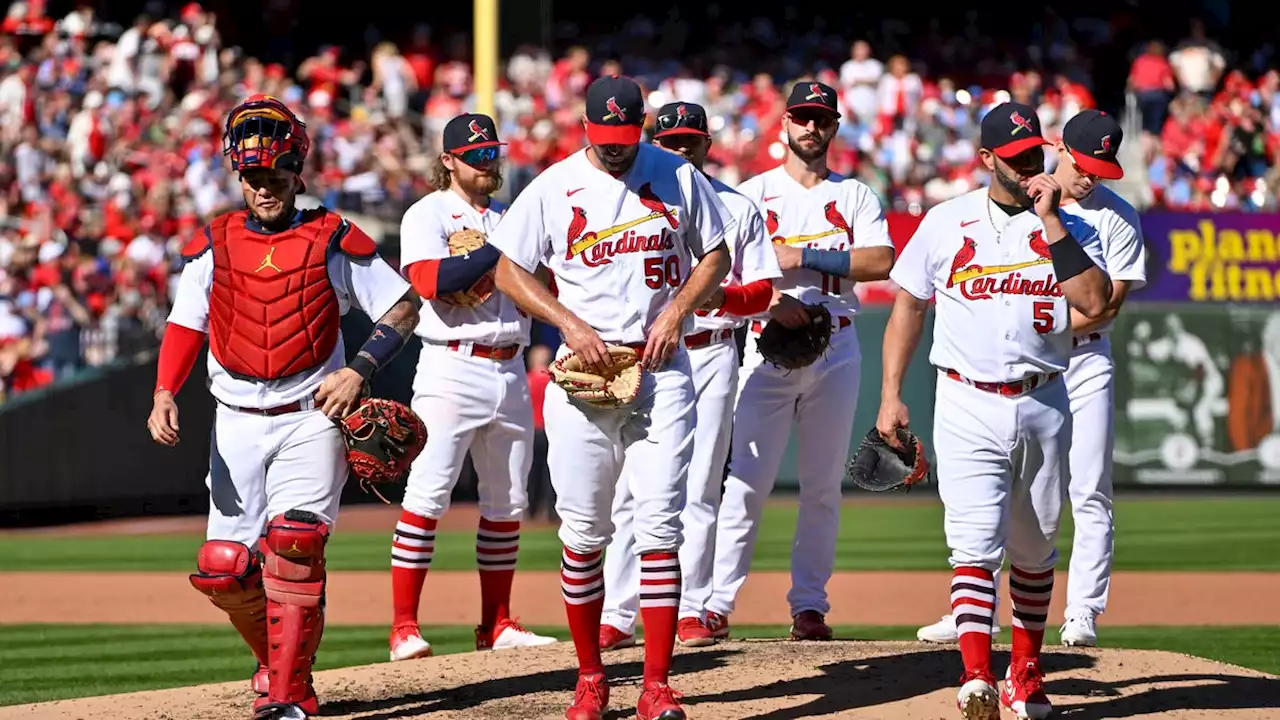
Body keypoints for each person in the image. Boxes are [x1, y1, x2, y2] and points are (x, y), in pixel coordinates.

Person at [145, 95, 420, 720]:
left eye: (274, 174)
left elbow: (402, 307)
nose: (263, 187)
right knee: (224, 570)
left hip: (310, 414)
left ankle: (289, 696)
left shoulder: (333, 237)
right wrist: (164, 391)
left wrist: (359, 370)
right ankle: (275, 661)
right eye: (252, 176)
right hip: (235, 420)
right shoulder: (213, 240)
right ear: (237, 176)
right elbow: (185, 325)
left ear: (298, 169)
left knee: (294, 545)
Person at [487, 75, 731, 720]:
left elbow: (717, 254)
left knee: (658, 527)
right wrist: (567, 323)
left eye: (626, 137)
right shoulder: (555, 185)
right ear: (585, 126)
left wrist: (679, 311)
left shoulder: (677, 175)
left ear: (641, 126)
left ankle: (656, 685)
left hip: (662, 368)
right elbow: (507, 268)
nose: (616, 148)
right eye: (604, 136)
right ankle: (591, 677)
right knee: (585, 533)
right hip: (581, 374)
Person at [877, 102, 1112, 720]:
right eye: (1013, 158)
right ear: (986, 160)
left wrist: (1054, 223)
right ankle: (978, 674)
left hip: (1044, 397)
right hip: (965, 397)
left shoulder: (1070, 223)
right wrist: (891, 393)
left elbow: (1096, 299)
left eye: (1033, 152)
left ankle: (1026, 674)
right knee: (974, 546)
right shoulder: (945, 222)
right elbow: (907, 307)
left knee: (1035, 549)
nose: (1027, 164)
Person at [915, 110, 1146, 650]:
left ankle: (1083, 610)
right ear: (1059, 150)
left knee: (1088, 488)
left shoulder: (1117, 218)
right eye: (1083, 164)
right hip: (1003, 372)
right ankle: (974, 609)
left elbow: (1105, 309)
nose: (1089, 178)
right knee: (984, 498)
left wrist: (1029, 334)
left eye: (1101, 169)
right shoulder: (1010, 201)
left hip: (1080, 362)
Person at [705, 80, 895, 641]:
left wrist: (800, 254)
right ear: (783, 123)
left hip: (836, 345)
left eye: (822, 119)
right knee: (745, 482)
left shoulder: (856, 195)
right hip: (766, 346)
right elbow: (727, 273)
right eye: (802, 118)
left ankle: (809, 605)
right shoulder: (750, 194)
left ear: (834, 127)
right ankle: (714, 604)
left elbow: (881, 259)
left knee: (821, 486)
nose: (811, 128)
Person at [599, 102, 782, 650]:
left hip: (711, 349)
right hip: (643, 356)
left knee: (701, 483)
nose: (681, 150)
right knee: (632, 488)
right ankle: (617, 612)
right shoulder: (626, 199)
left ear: (707, 144)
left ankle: (695, 607)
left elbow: (765, 291)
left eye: (690, 141)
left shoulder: (735, 205)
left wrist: (708, 295)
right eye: (671, 140)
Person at [388, 112, 556, 662]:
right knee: (428, 494)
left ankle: (497, 624)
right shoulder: (427, 213)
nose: (488, 164)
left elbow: (544, 283)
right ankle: (404, 627)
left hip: (509, 366)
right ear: (449, 161)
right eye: (476, 155)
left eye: (492, 153)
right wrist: (500, 247)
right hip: (450, 367)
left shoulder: (508, 216)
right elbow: (432, 282)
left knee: (506, 503)